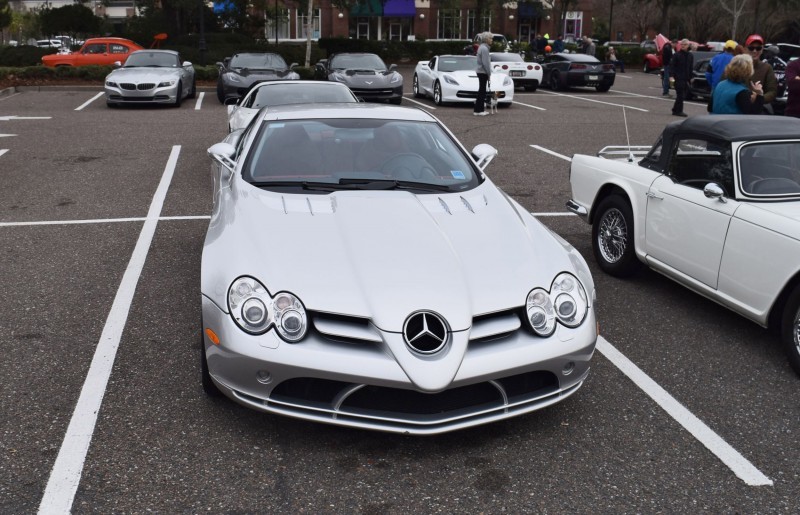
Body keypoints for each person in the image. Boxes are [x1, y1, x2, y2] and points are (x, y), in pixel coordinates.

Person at [745, 34, 778, 110]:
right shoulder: (738, 66)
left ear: (762, 50)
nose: (755, 51)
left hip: (758, 109)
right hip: (738, 108)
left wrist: (759, 98)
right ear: (746, 49)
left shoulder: (767, 68)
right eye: (751, 48)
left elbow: (772, 91)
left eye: (758, 48)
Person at [671, 38, 693, 117]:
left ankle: (675, 109)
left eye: (685, 44)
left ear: (688, 45)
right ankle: (679, 110)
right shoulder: (677, 55)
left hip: (686, 78)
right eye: (682, 44)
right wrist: (672, 76)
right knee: (680, 95)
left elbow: (690, 67)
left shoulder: (690, 55)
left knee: (682, 95)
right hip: (678, 77)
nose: (683, 46)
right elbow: (672, 66)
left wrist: (690, 77)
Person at [474, 32, 492, 116]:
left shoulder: (482, 47)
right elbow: (486, 63)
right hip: (483, 71)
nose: (491, 40)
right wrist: (489, 73)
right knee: (482, 91)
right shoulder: (484, 49)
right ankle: (479, 110)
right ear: (486, 39)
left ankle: (478, 109)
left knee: (481, 90)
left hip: (480, 71)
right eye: (490, 38)